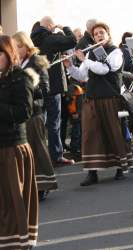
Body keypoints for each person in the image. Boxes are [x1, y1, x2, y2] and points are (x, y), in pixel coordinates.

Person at [64, 22, 132, 186]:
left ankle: (120, 168)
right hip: (92, 99)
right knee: (91, 135)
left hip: (110, 99)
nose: (99, 36)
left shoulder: (116, 52)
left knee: (113, 132)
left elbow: (104, 69)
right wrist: (70, 66)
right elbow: (82, 76)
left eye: (102, 33)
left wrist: (83, 60)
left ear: (108, 35)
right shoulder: (91, 54)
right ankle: (92, 172)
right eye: (96, 34)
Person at [0, 35, 38, 249]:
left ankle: (19, 242)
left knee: (13, 201)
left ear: (8, 54)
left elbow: (24, 112)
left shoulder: (20, 77)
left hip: (12, 148)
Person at [13, 31, 58, 201]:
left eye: (19, 46)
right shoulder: (15, 64)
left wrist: (27, 86)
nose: (16, 50)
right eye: (15, 47)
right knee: (24, 152)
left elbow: (45, 89)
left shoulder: (36, 61)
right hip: (20, 115)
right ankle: (28, 185)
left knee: (38, 149)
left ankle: (43, 185)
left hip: (35, 112)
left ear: (26, 45)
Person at [31, 16, 76, 166]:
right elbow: (72, 40)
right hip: (52, 85)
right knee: (54, 122)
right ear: (50, 25)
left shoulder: (33, 38)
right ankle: (56, 156)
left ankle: (38, 156)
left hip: (37, 86)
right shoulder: (50, 38)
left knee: (39, 122)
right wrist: (64, 28)